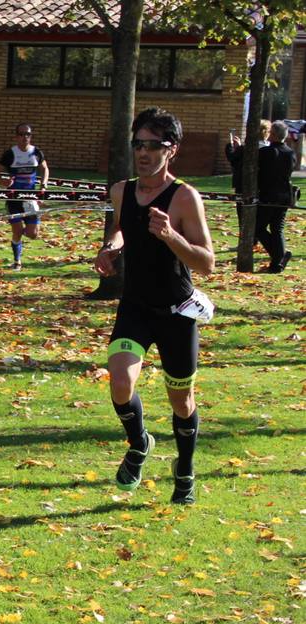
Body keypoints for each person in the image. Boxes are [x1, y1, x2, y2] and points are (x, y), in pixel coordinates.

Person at [93, 107, 214, 506]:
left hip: (177, 313)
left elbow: (206, 263)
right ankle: (139, 442)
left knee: (182, 401)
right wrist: (110, 250)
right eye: (138, 144)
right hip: (136, 308)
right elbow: (122, 229)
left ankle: (185, 468)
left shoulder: (184, 197)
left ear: (171, 150)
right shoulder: (121, 190)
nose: (143, 153)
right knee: (120, 381)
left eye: (153, 146)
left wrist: (170, 237)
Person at [0, 123, 50, 270]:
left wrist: (43, 186)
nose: (25, 137)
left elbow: (45, 169)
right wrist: (4, 182)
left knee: (32, 234)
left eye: (28, 134)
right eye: (22, 134)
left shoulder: (36, 152)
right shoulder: (10, 154)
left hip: (30, 199)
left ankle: (19, 237)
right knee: (17, 231)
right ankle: (17, 260)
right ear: (16, 136)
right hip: (14, 199)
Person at [256, 120, 296, 273]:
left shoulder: (266, 152)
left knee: (258, 228)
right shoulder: (290, 153)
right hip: (285, 195)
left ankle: (280, 256)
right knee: (277, 228)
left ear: (273, 135)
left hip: (269, 195)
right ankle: (277, 263)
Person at [226, 119, 271, 232]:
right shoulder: (269, 148)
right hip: (263, 186)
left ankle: (245, 240)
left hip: (243, 185)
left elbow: (233, 159)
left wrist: (231, 146)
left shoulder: (246, 149)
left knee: (242, 214)